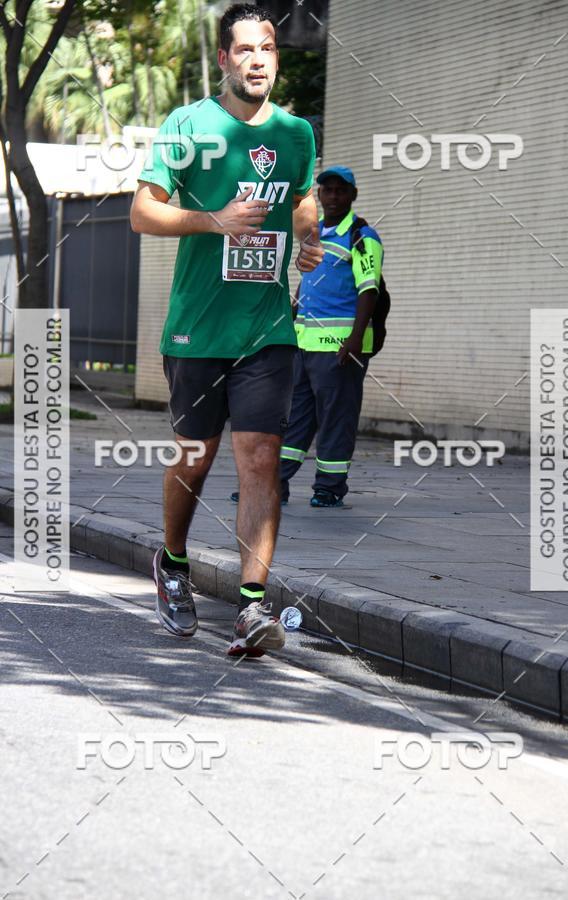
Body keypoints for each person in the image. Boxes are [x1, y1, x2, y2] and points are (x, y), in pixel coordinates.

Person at [130, 3, 322, 657]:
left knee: (261, 456)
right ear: (223, 59)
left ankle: (250, 608)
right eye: (244, 49)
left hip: (266, 328)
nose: (259, 58)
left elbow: (300, 195)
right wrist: (215, 220)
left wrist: (308, 235)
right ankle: (173, 565)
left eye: (268, 47)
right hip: (196, 327)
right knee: (196, 457)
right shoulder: (189, 125)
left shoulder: (296, 132)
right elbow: (143, 212)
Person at [279, 166, 384, 506]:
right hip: (304, 346)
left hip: (340, 349)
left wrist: (355, 340)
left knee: (336, 419)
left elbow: (369, 290)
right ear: (319, 195)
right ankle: (274, 483)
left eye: (341, 190)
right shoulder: (313, 235)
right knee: (295, 419)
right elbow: (306, 287)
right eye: (328, 190)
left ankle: (329, 488)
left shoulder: (362, 237)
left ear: (352, 195)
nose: (334, 196)